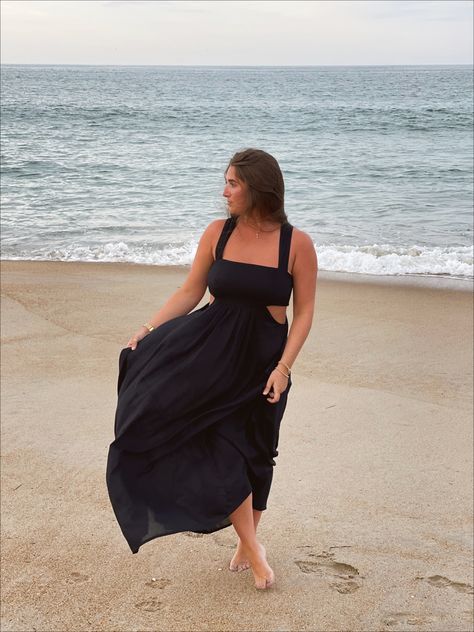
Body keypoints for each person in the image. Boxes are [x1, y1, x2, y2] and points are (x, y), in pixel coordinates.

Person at [106, 148, 317, 590]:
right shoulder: (218, 233)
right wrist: (147, 329)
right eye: (225, 182)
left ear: (257, 188)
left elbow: (304, 313)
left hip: (263, 362)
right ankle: (256, 550)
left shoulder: (295, 243)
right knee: (222, 448)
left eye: (233, 183)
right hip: (210, 355)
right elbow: (190, 291)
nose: (224, 191)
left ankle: (247, 539)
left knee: (260, 450)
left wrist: (283, 368)